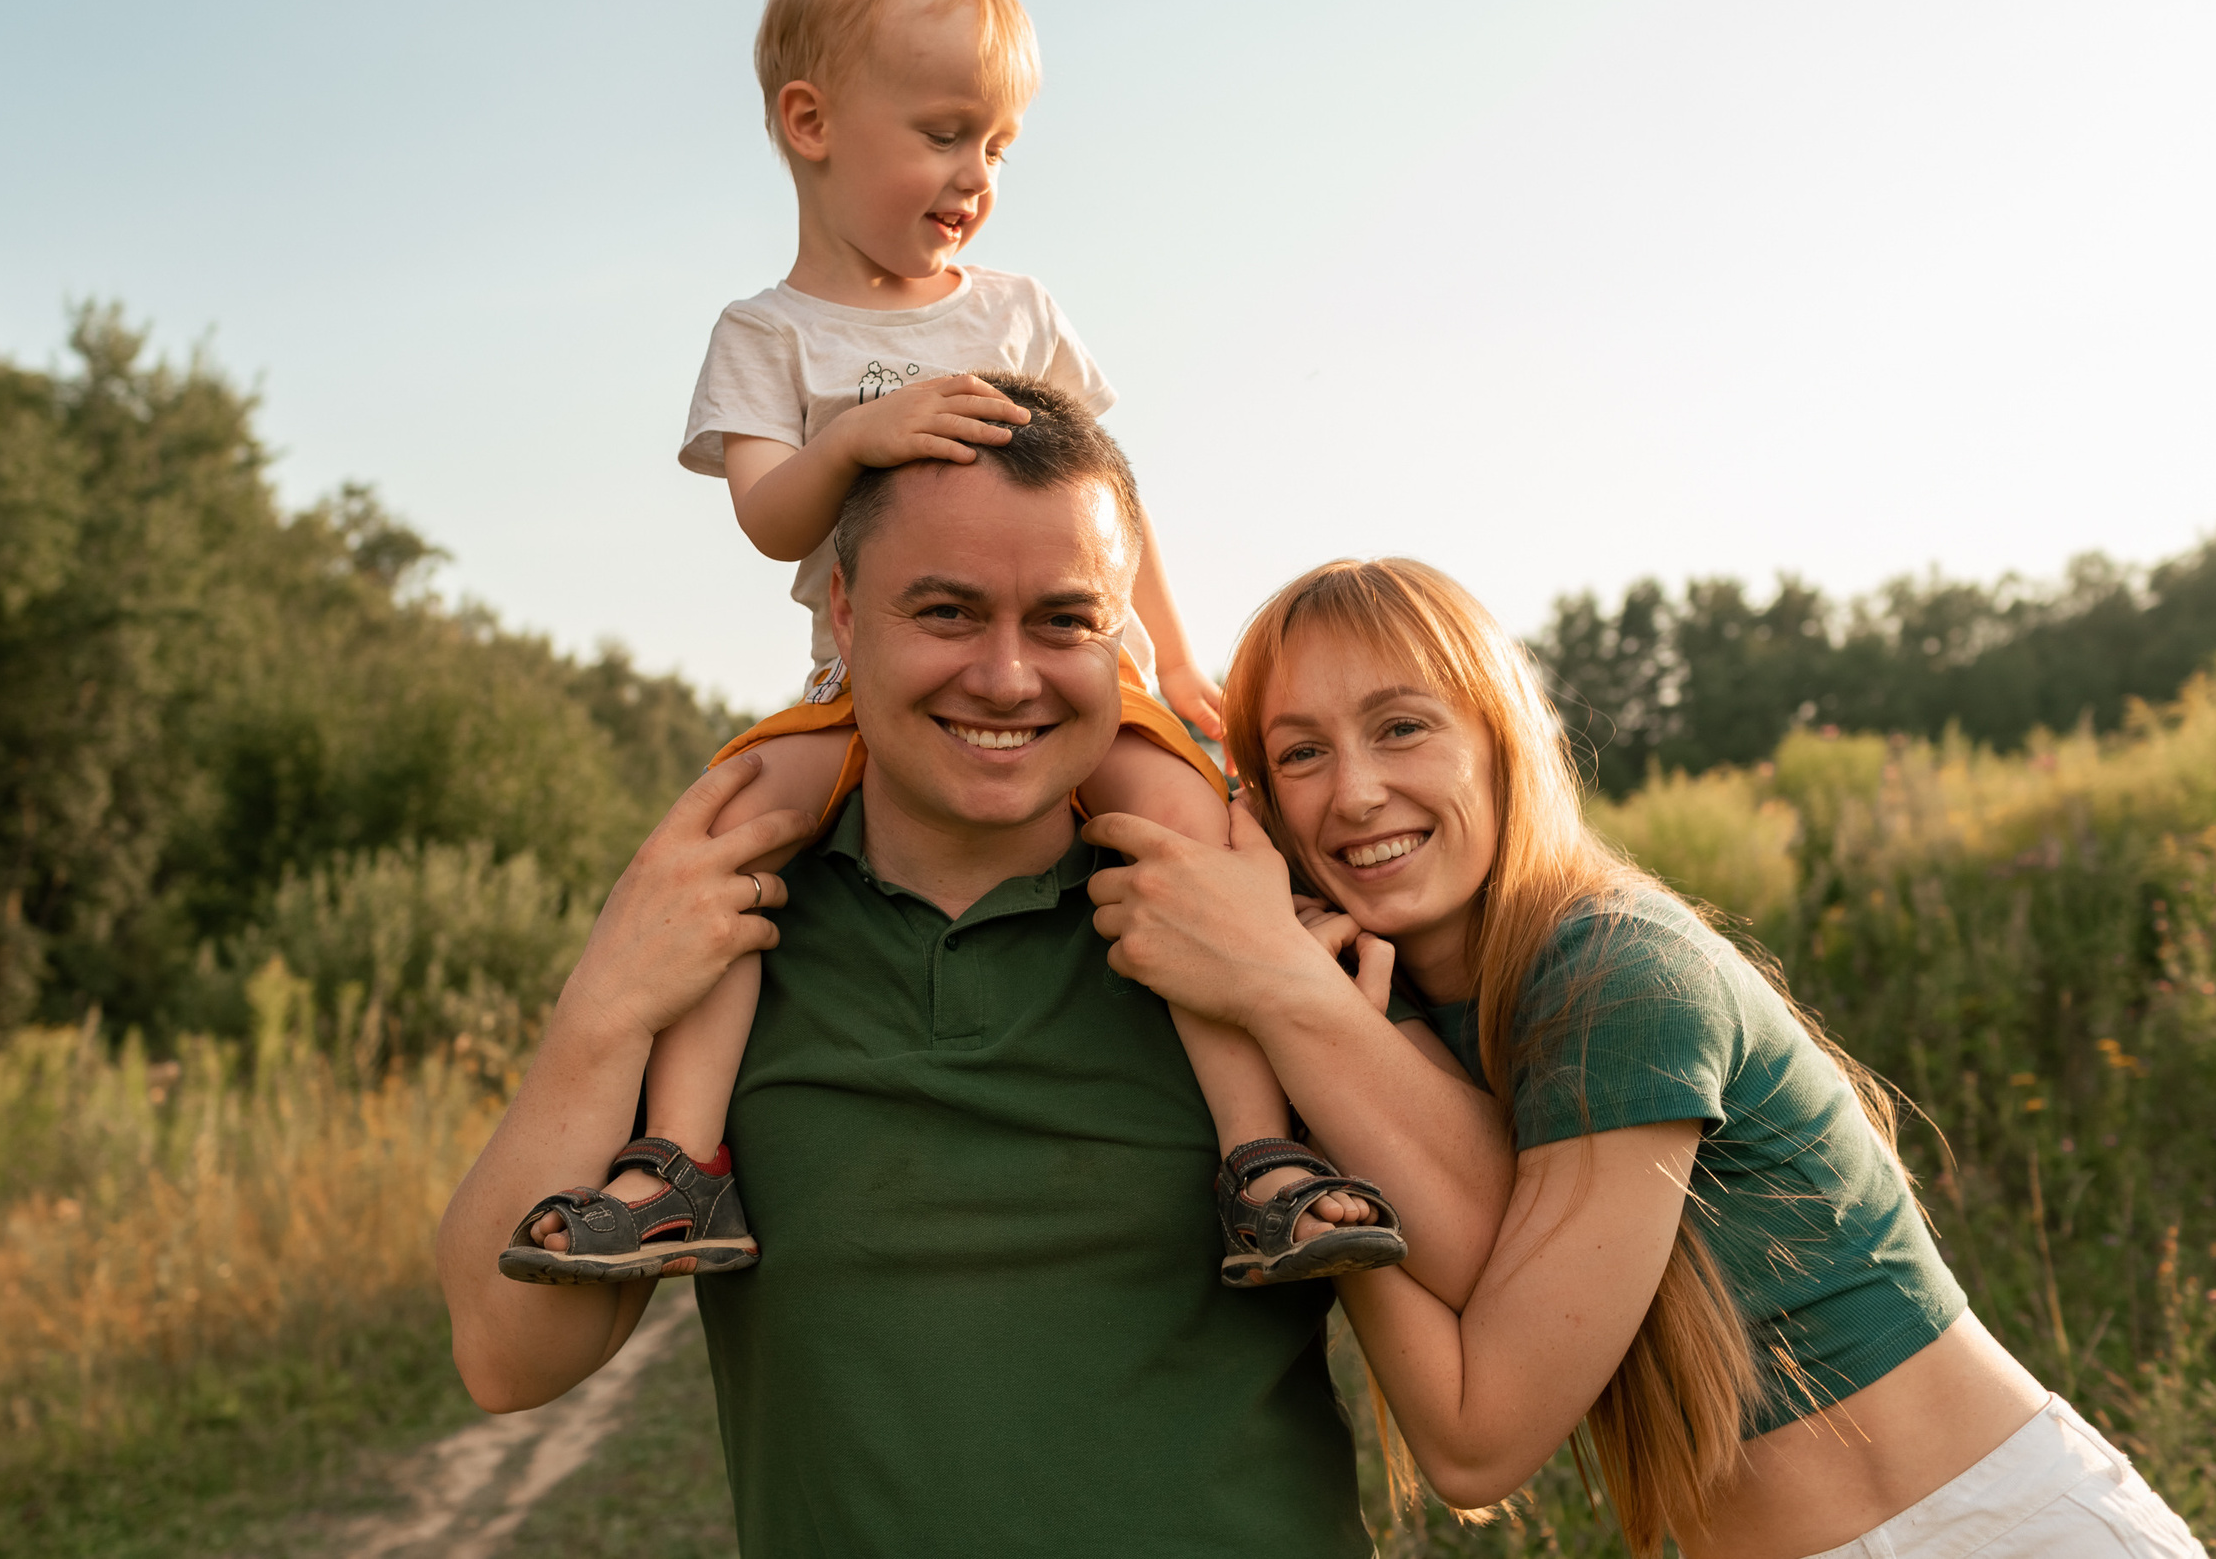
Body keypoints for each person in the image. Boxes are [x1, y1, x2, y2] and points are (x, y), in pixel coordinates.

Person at [435, 405, 1515, 1555]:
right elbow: (508, 1358)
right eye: (946, 611)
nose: (1007, 677)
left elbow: (1495, 1278)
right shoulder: (728, 938)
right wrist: (604, 1001)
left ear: (1122, 641)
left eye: (1064, 620)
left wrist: (1280, 987)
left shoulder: (1241, 912)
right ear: (844, 613)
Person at [497, 0, 1397, 1289]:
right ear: (810, 121)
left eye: (997, 145)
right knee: (734, 839)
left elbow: (1116, 501)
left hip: (1091, 672)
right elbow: (766, 519)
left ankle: (1262, 1153)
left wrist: (1181, 659)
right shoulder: (771, 335)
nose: (974, 174)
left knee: (1190, 839)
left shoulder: (1020, 313)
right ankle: (683, 1161)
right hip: (859, 688)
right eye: (941, 133)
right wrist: (855, 438)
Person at [1083, 556, 2208, 1558]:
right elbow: (1454, 1396)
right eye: (1300, 754)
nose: (1356, 790)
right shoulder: (1393, 1024)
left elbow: (1480, 1441)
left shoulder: (1617, 971)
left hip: (1989, 1531)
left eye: (1402, 727)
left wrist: (1282, 998)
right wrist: (1307, 1052)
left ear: (1501, 740)